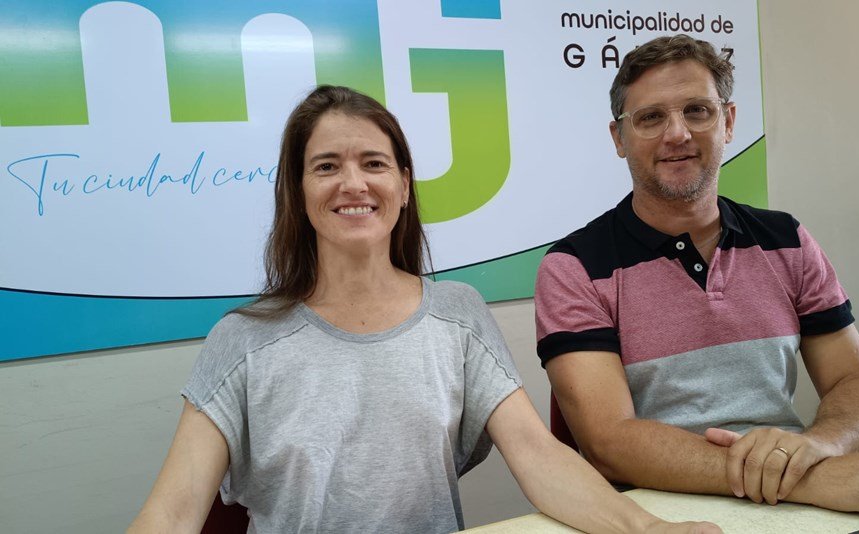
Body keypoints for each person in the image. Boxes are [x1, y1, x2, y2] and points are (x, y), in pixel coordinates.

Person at [128, 85, 719, 533]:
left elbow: (538, 455)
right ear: (298, 190)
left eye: (374, 163)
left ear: (404, 185)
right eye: (326, 166)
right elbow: (173, 512)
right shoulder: (242, 339)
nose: (353, 183)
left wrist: (647, 529)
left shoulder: (458, 314)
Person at [535, 35, 859, 519]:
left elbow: (856, 380)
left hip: (799, 501)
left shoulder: (787, 239)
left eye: (697, 111)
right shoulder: (574, 267)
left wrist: (823, 446)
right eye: (651, 117)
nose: (677, 133)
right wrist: (810, 479)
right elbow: (608, 442)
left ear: (728, 122)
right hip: (656, 518)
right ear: (619, 138)